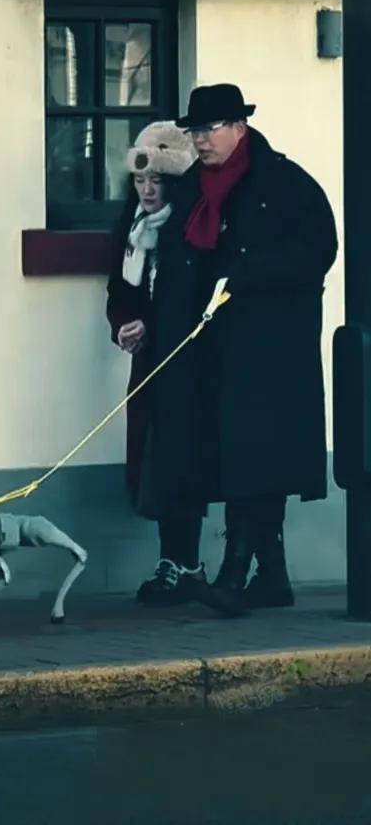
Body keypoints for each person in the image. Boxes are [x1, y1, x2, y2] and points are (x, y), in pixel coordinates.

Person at [132, 83, 338, 616]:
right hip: (208, 352)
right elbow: (178, 265)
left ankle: (233, 574)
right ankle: (272, 579)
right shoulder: (191, 189)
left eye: (211, 129)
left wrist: (246, 275)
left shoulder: (285, 183)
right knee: (230, 457)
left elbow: (318, 250)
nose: (201, 140)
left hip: (268, 351)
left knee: (257, 458)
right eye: (195, 130)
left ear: (240, 128)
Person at [106, 121, 201, 596]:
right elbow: (119, 291)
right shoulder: (133, 231)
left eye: (156, 181)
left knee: (181, 462)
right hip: (148, 366)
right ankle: (172, 560)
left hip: (185, 365)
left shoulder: (189, 231)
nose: (146, 190)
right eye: (140, 181)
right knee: (153, 464)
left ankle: (186, 563)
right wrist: (123, 326)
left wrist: (154, 327)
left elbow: (188, 299)